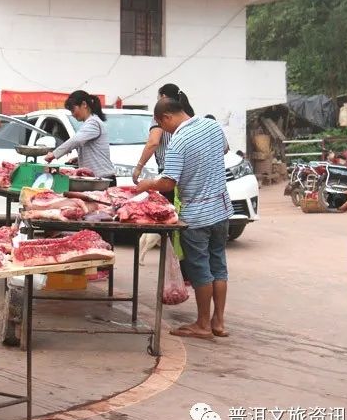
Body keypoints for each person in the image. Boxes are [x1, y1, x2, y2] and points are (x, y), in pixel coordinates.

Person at [136, 99, 232, 340]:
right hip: (221, 210)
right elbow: (223, 151)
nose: (163, 130)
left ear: (166, 117)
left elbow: (168, 182)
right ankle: (218, 322)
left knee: (201, 270)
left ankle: (202, 324)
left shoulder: (178, 141)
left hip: (197, 215)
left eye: (161, 124)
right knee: (219, 265)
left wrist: (148, 184)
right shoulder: (213, 126)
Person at [132, 83, 195, 189]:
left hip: (169, 171)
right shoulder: (189, 114)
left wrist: (139, 167)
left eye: (158, 98)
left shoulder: (161, 116)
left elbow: (153, 142)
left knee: (171, 203)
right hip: (189, 172)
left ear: (164, 97)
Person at [43, 90, 115, 180]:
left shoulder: (93, 122)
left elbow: (76, 140)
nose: (73, 114)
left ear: (84, 104)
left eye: (73, 110)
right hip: (96, 178)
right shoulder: (90, 123)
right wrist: (80, 158)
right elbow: (94, 150)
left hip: (103, 179)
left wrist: (54, 154)